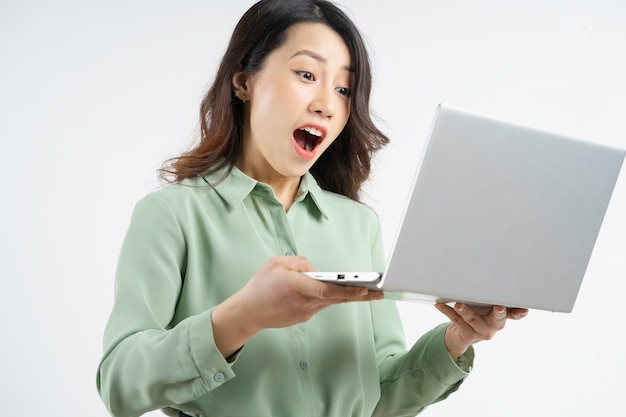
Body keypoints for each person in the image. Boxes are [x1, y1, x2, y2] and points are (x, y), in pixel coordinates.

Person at [96, 1, 528, 416]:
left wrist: (456, 339)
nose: (326, 103)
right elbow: (119, 383)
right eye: (306, 74)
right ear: (244, 81)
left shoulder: (359, 226)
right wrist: (242, 317)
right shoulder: (171, 214)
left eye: (343, 88)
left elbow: (378, 395)